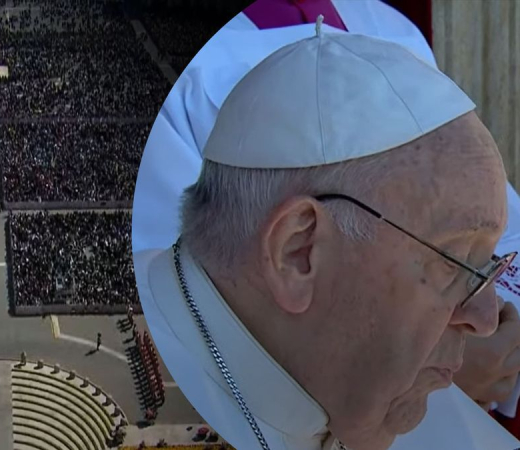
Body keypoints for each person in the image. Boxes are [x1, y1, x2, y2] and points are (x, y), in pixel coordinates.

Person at [132, 0, 520, 445]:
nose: (487, 320)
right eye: (455, 263)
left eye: (488, 265)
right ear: (298, 253)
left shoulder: (386, 26)